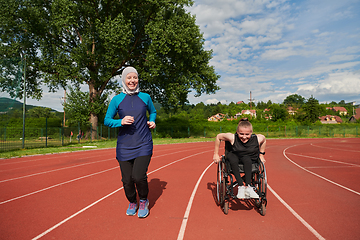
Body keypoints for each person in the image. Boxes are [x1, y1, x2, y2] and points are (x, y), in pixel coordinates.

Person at [104, 66, 156, 218]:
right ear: (124, 80)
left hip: (143, 143)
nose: (132, 80)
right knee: (127, 180)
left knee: (139, 176)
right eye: (129, 78)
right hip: (124, 146)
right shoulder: (116, 99)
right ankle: (132, 201)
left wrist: (152, 121)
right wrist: (120, 121)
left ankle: (144, 200)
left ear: (138, 79)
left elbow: (152, 111)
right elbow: (107, 120)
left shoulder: (145, 97)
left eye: (135, 77)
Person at [213, 118, 266, 199]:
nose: (244, 137)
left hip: (246, 158)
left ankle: (248, 187)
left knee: (247, 159)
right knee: (233, 159)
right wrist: (215, 154)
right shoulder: (232, 137)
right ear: (237, 132)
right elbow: (218, 137)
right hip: (233, 156)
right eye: (241, 134)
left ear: (251, 133)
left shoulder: (258, 138)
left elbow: (264, 139)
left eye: (247, 134)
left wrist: (261, 155)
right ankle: (241, 186)